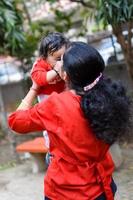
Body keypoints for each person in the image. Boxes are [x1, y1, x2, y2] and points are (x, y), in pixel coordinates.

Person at [8, 42, 131, 200]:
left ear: (65, 75)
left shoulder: (58, 105)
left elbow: (15, 121)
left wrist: (35, 88)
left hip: (66, 191)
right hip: (103, 186)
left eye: (62, 61)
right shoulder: (110, 95)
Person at [31, 32, 69, 163]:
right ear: (44, 57)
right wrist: (55, 71)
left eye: (64, 57)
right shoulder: (40, 65)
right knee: (51, 128)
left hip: (64, 100)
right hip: (48, 104)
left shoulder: (64, 64)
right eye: (58, 58)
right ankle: (51, 150)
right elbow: (39, 79)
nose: (62, 62)